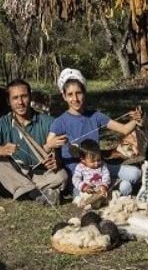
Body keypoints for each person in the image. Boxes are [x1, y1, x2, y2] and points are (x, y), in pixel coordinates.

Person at [49, 68, 142, 196]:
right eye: (70, 94)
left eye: (78, 93)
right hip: (80, 176)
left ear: (84, 93)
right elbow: (48, 146)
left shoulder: (96, 116)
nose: (75, 98)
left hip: (100, 167)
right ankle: (109, 189)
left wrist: (136, 120)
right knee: (125, 187)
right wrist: (51, 144)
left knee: (135, 173)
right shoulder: (59, 122)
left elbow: (124, 129)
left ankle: (107, 187)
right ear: (64, 96)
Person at [0, 79, 68, 205]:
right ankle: (35, 193)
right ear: (8, 102)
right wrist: (0, 150)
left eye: (24, 96)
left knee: (62, 176)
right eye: (15, 98)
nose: (20, 102)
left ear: (30, 97)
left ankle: (17, 189)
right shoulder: (0, 124)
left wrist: (56, 160)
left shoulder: (47, 121)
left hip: (38, 174)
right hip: (13, 171)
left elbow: (61, 152)